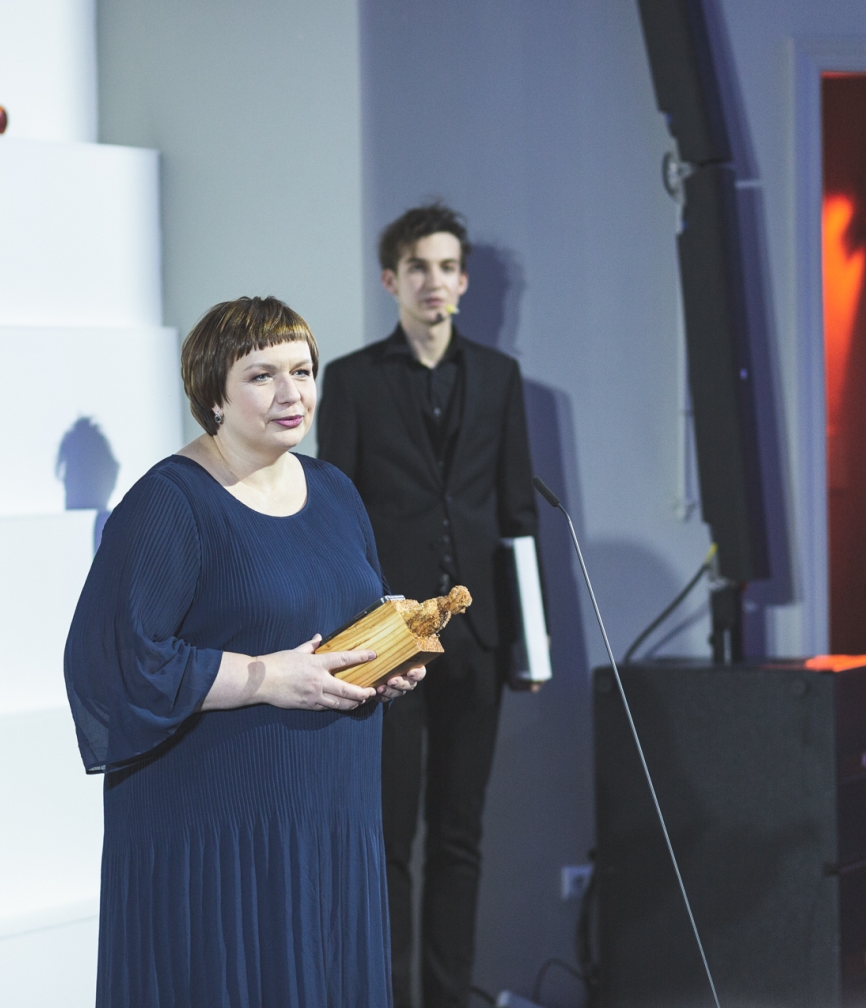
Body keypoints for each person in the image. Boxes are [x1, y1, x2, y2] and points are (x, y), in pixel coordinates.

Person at [64, 295, 427, 1008]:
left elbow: (340, 625)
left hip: (331, 813)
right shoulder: (170, 501)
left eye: (303, 371)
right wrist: (264, 677)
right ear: (214, 395)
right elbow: (114, 661)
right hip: (219, 828)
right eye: (262, 376)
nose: (292, 393)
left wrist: (384, 663)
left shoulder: (335, 490)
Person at [317, 202, 540, 1008]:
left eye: (447, 267)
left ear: (465, 281)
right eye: (418, 267)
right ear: (392, 279)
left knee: (459, 836)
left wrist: (533, 647)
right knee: (387, 838)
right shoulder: (352, 380)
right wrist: (346, 640)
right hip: (386, 642)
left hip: (478, 639)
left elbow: (518, 515)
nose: (433, 282)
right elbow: (335, 519)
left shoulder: (500, 378)